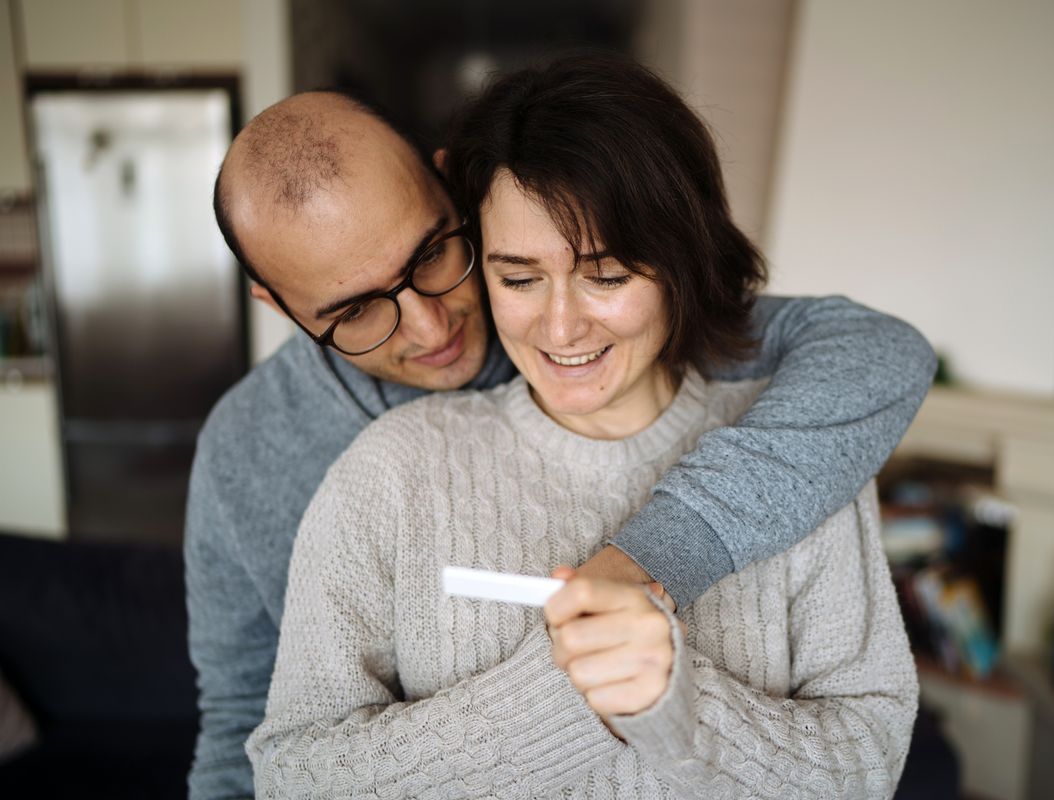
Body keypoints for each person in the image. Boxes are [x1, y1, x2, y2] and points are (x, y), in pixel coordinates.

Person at [187, 72, 935, 800]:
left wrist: (659, 634)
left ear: (455, 199)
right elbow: (261, 745)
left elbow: (874, 351)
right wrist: (580, 686)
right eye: (354, 312)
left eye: (432, 258)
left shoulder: (786, 426)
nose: (431, 326)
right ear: (278, 304)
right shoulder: (320, 460)